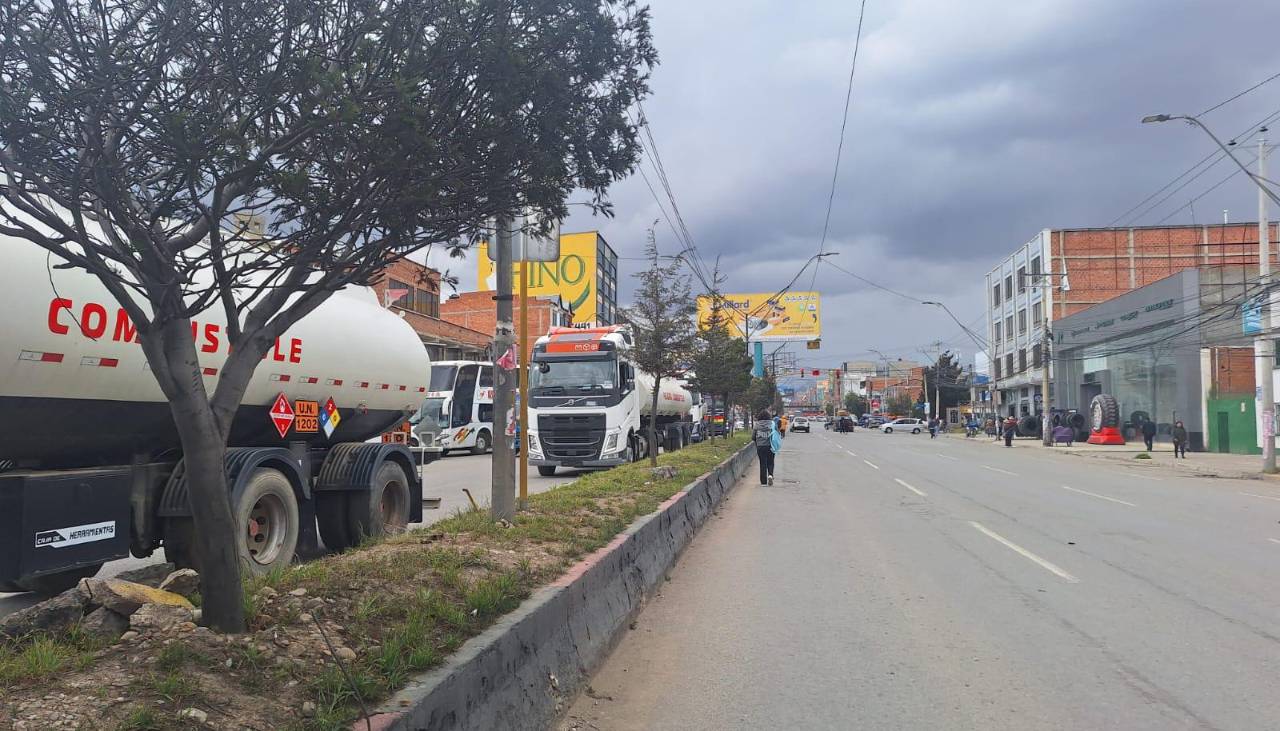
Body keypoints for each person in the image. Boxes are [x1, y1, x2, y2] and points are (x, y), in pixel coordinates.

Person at [753, 409, 781, 485]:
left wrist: (758, 441)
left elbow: (753, 437)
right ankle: (770, 475)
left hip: (760, 447)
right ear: (769, 416)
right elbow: (777, 433)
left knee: (763, 463)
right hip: (771, 446)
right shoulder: (772, 424)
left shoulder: (757, 425)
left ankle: (763, 482)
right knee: (771, 462)